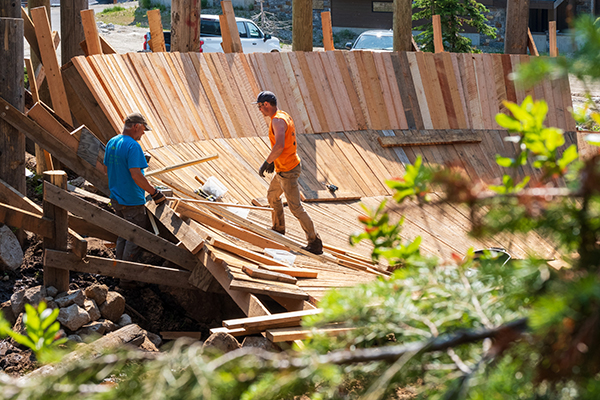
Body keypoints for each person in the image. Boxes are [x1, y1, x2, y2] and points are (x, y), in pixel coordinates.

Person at [255, 91, 323, 255]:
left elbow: (279, 145)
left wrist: (268, 162)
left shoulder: (277, 120)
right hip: (283, 168)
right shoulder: (282, 115)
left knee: (295, 208)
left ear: (266, 104)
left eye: (259, 106)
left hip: (287, 170)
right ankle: (278, 229)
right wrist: (274, 162)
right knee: (272, 196)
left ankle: (314, 241)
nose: (259, 110)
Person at [103, 112, 166, 263]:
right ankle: (127, 278)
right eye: (143, 129)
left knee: (123, 234)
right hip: (132, 201)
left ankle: (118, 269)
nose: (144, 133)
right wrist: (155, 193)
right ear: (136, 126)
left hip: (116, 198)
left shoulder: (112, 142)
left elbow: (106, 170)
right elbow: (136, 175)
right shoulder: (133, 146)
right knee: (135, 238)